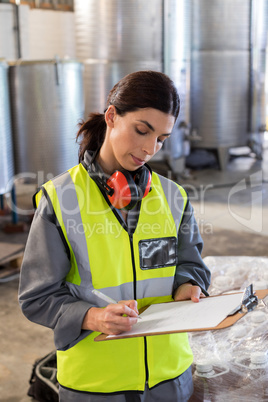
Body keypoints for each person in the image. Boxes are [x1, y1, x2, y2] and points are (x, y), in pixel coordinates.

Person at [19, 70, 211, 402]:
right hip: (96, 385)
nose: (150, 148)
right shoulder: (61, 199)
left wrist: (188, 286)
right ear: (111, 116)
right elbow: (37, 297)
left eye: (162, 139)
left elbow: (191, 266)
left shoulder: (174, 197)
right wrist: (91, 316)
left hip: (170, 379)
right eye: (142, 130)